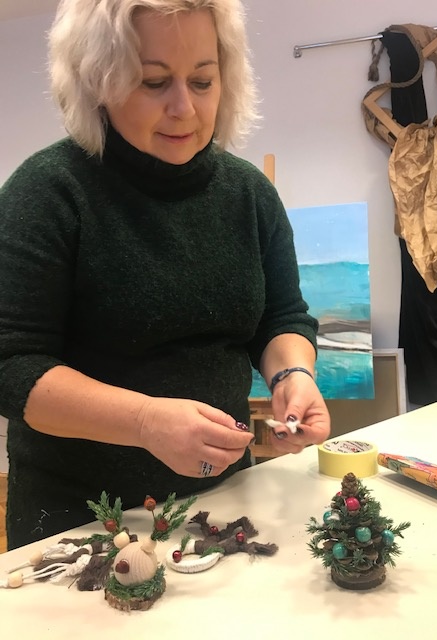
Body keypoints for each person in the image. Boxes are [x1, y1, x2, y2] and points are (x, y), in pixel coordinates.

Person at [0, 0, 330, 551]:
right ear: (97, 82)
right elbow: (11, 365)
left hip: (226, 501)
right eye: (153, 83)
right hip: (83, 520)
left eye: (202, 81)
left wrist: (292, 376)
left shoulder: (248, 194)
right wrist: (144, 422)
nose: (184, 107)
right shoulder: (47, 193)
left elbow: (282, 318)